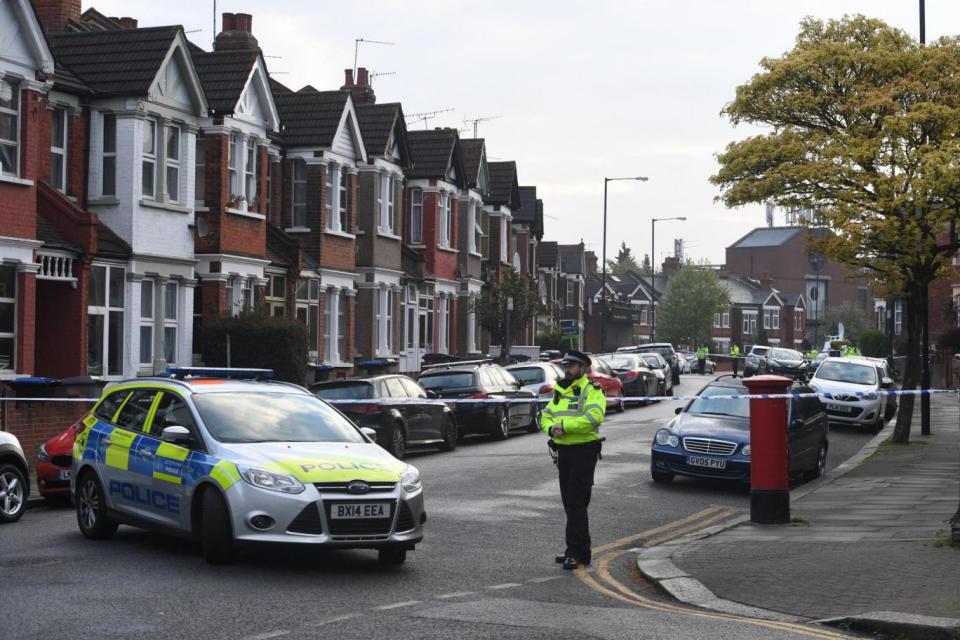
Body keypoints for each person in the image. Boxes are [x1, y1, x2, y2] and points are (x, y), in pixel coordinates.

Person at [541, 350, 606, 571]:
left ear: (583, 368)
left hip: (584, 451)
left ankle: (573, 552)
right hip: (564, 452)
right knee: (570, 503)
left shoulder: (592, 390)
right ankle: (583, 551)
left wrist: (564, 427)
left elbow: (594, 418)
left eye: (571, 366)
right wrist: (551, 428)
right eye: (565, 366)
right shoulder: (560, 390)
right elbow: (545, 415)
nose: (566, 370)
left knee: (577, 502)